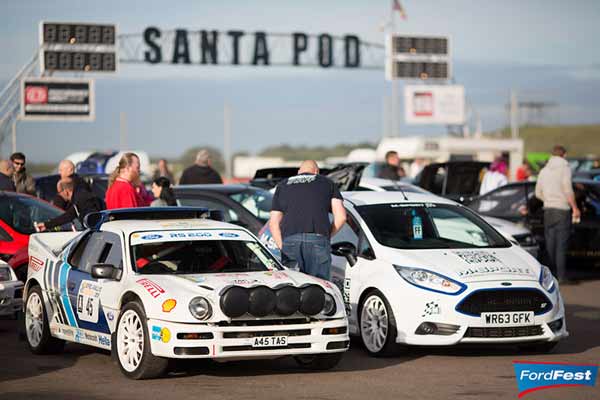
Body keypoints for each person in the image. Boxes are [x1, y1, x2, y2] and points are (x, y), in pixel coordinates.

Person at [269, 160, 346, 280]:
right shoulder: (327, 183)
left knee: (293, 286)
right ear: (316, 172)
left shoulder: (282, 185)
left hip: (290, 241)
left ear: (299, 172)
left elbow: (273, 223)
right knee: (319, 286)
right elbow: (341, 217)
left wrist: (282, 247)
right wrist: (326, 236)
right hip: (317, 239)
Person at [535, 145, 580, 283]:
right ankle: (561, 276)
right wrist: (575, 207)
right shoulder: (565, 169)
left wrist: (548, 200)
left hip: (548, 210)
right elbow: (567, 189)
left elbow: (537, 193)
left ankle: (550, 276)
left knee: (550, 244)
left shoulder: (544, 170)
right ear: (564, 155)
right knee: (561, 245)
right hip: (562, 210)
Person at [36, 178, 103, 231]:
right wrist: (46, 225)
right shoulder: (78, 197)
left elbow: (93, 216)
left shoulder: (82, 198)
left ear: (65, 191)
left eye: (59, 192)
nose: (59, 196)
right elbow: (68, 216)